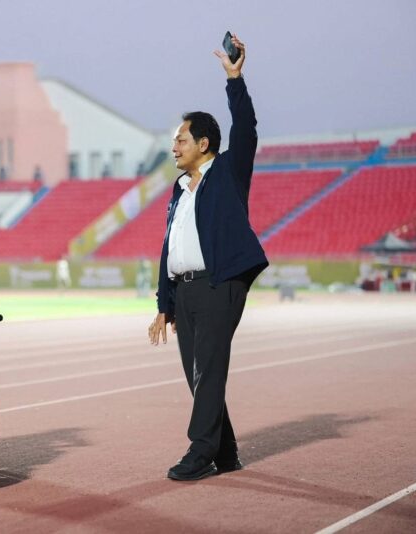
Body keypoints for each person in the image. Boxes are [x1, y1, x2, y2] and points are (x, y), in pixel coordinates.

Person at [148, 34, 268, 481]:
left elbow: (246, 128)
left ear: (203, 143)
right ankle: (226, 452)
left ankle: (200, 452)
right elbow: (170, 247)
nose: (174, 147)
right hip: (185, 291)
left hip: (221, 282)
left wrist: (235, 80)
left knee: (210, 368)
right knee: (198, 375)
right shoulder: (178, 191)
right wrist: (164, 303)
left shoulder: (229, 172)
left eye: (181, 139)